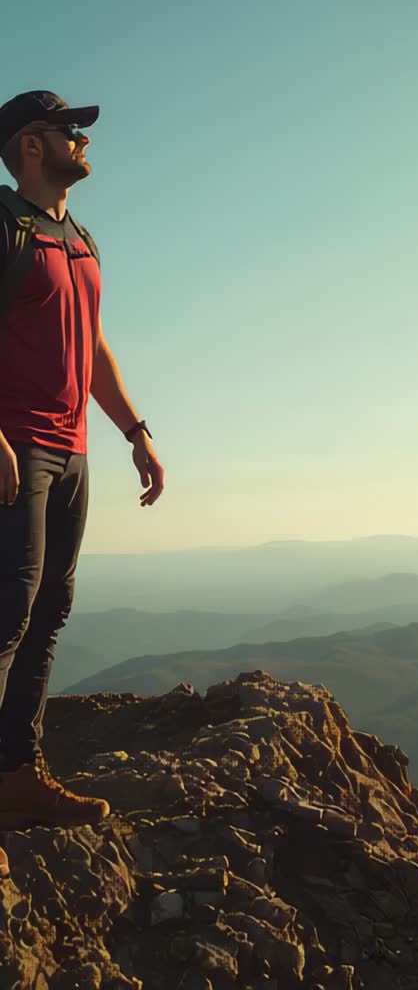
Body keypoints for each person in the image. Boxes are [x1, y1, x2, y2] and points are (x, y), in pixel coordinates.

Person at [0, 90, 165, 881]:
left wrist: (135, 431)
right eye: (73, 132)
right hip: (15, 451)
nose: (84, 142)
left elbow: (92, 348)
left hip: (73, 453)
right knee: (4, 611)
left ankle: (17, 778)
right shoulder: (5, 227)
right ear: (32, 144)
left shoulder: (79, 237)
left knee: (48, 610)